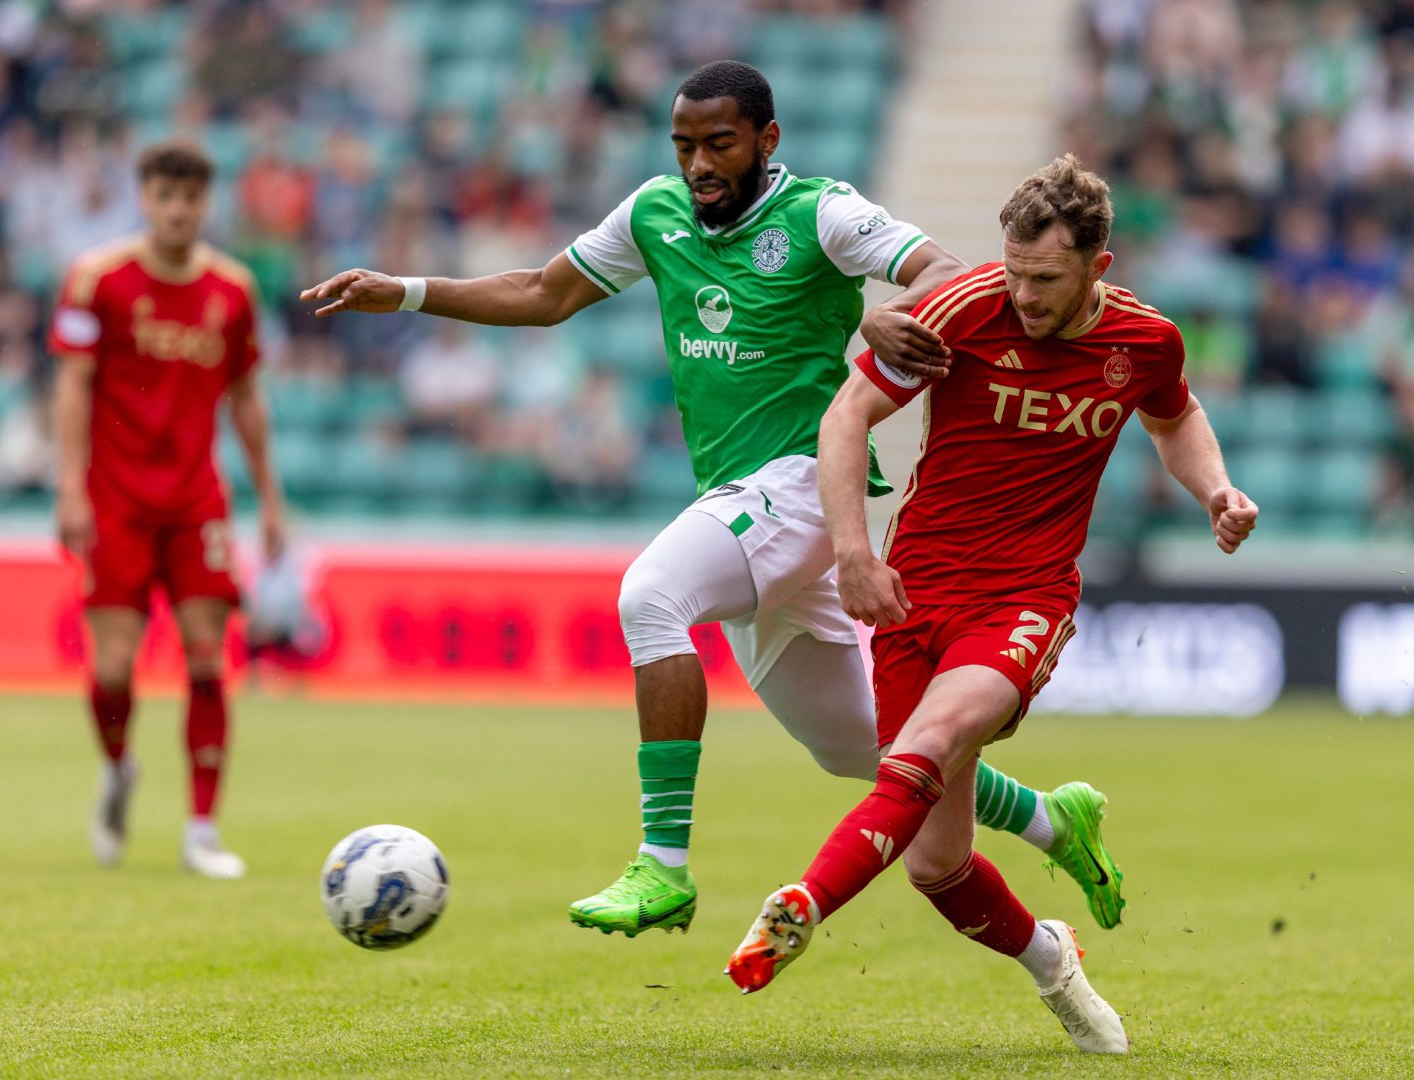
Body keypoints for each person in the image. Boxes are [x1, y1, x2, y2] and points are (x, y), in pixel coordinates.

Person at [300, 62, 1125, 936]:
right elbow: (545, 294)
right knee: (860, 745)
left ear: (766, 141)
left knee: (651, 594)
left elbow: (945, 270)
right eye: (685, 144)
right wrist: (412, 292)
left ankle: (662, 867)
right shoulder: (654, 212)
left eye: (719, 144)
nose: (698, 162)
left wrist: (892, 310)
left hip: (807, 485)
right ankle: (1051, 818)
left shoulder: (822, 212)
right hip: (741, 500)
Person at [724, 155, 1259, 1054]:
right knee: (936, 865)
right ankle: (1053, 961)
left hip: (1024, 596)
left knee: (927, 745)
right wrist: (854, 553)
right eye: (1012, 269)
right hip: (914, 591)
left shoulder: (1145, 342)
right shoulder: (965, 309)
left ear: (1100, 266)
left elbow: (1174, 417)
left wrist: (1216, 491)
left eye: (1043, 278)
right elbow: (845, 416)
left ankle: (799, 905)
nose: (1021, 293)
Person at [50, 141, 285, 879]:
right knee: (114, 672)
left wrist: (270, 498)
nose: (178, 209)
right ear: (145, 197)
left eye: (190, 197)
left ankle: (202, 829)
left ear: (205, 202)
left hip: (195, 503)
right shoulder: (97, 280)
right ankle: (118, 768)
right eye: (165, 196)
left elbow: (246, 397)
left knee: (209, 661)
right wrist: (68, 486)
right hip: (116, 500)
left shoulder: (234, 290)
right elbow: (73, 384)